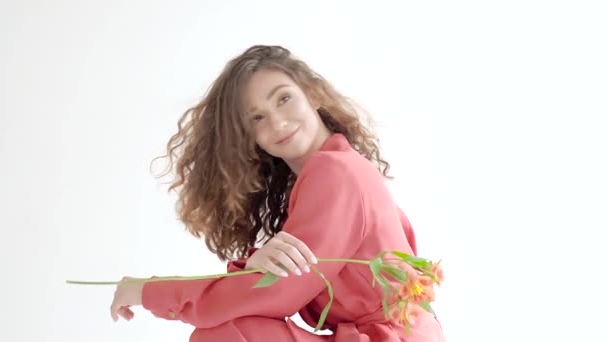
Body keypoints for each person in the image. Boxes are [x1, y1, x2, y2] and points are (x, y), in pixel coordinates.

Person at [109, 45, 445, 341]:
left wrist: (147, 291)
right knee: (227, 331)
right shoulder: (330, 171)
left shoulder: (335, 173)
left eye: (284, 99)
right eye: (257, 118)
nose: (278, 123)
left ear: (312, 94)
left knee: (226, 335)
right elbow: (278, 286)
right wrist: (256, 268)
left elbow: (278, 294)